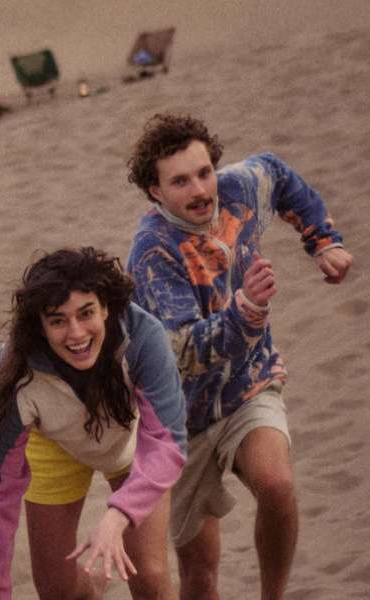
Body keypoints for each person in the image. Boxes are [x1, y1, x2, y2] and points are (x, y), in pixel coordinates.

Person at [122, 113, 355, 600]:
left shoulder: (240, 189)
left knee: (276, 484)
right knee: (201, 575)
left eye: (204, 172)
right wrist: (246, 308)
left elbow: (279, 175)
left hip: (249, 383)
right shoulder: (152, 253)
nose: (200, 190)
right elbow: (185, 352)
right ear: (154, 192)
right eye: (180, 182)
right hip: (180, 418)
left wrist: (322, 241)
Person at [0, 247, 188, 600]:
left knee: (149, 577)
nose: (76, 333)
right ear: (40, 328)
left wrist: (118, 515)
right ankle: (92, 587)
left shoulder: (143, 336)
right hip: (55, 444)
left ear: (106, 308)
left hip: (132, 442)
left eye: (86, 313)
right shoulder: (17, 373)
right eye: (58, 321)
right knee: (57, 591)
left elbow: (169, 445)